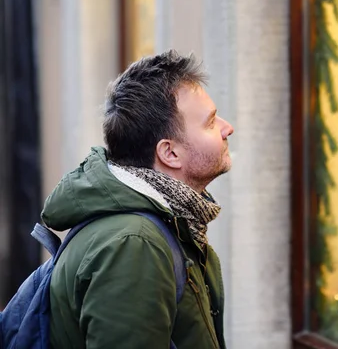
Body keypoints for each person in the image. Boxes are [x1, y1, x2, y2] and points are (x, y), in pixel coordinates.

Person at [44, 50, 233, 348]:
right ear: (169, 153)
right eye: (210, 123)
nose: (227, 128)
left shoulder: (169, 221)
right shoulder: (134, 244)